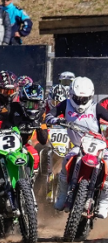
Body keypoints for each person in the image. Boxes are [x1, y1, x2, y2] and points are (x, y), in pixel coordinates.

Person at [0, 83, 48, 213]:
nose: (33, 107)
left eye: (36, 104)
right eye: (30, 104)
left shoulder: (41, 114)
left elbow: (43, 140)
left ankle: (30, 190)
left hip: (23, 146)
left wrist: (41, 125)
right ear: (23, 102)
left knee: (36, 157)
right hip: (2, 145)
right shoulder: (10, 108)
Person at [46, 77, 108, 218]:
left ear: (90, 96)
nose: (80, 101)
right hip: (78, 146)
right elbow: (50, 114)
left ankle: (105, 201)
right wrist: (54, 119)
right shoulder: (66, 104)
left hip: (97, 146)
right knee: (66, 160)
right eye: (77, 97)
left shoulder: (96, 107)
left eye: (83, 98)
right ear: (71, 95)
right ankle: (62, 196)